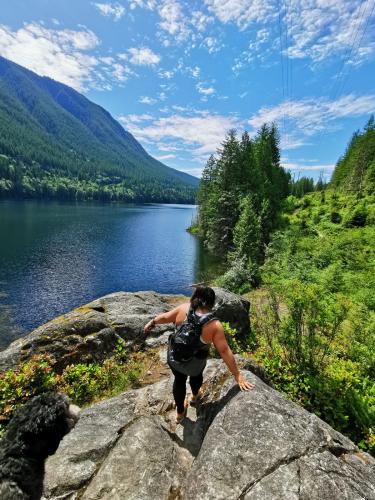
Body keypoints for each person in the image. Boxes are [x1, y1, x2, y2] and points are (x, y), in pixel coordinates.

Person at [144, 286, 254, 423]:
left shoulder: (184, 308)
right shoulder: (214, 325)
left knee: (179, 381)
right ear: (212, 303)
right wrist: (237, 375)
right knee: (196, 377)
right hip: (194, 365)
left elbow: (165, 317)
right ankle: (195, 396)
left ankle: (179, 413)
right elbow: (224, 351)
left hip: (174, 358)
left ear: (195, 298)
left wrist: (152, 322)